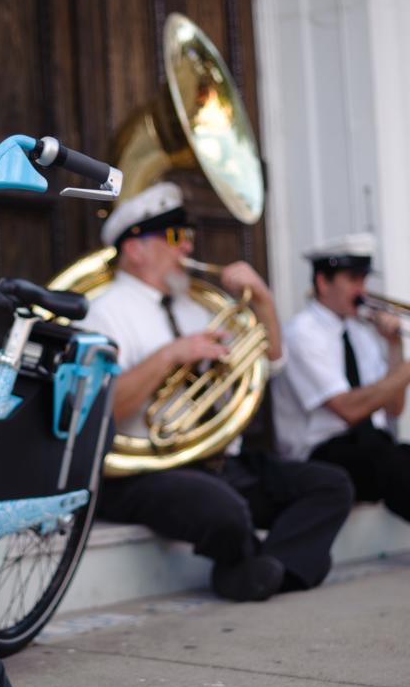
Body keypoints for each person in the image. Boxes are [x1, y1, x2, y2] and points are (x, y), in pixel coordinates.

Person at [85, 182, 353, 602]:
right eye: (175, 237)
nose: (187, 247)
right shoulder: (104, 312)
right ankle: (277, 566)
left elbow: (272, 362)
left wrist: (262, 300)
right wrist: (170, 356)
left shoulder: (197, 305)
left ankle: (264, 569)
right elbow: (97, 411)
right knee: (225, 511)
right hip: (145, 471)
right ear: (135, 248)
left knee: (331, 485)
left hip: (219, 460)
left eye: (188, 237)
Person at [272, 234, 410, 520]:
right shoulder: (302, 334)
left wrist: (395, 346)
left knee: (397, 457)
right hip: (320, 455)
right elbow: (349, 409)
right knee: (392, 464)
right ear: (323, 282)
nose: (362, 290)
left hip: (370, 447)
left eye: (363, 280)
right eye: (353, 279)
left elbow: (393, 408)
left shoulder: (361, 334)